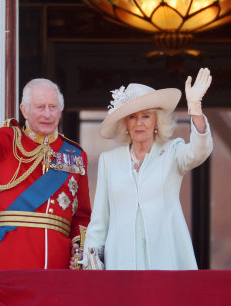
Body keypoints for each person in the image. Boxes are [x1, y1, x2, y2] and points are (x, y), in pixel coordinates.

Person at [0, 43, 91, 270]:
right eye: (40, 107)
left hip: (57, 264)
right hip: (9, 259)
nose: (47, 114)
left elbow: (82, 215)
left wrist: (78, 249)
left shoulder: (75, 154)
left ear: (60, 111)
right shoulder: (7, 141)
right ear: (24, 110)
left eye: (53, 107)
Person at [79, 68, 214, 270]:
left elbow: (199, 151)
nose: (139, 123)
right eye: (132, 117)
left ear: (157, 121)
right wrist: (92, 261)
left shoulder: (172, 153)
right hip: (121, 262)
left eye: (146, 116)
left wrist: (194, 107)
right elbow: (100, 219)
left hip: (165, 259)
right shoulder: (109, 161)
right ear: (125, 123)